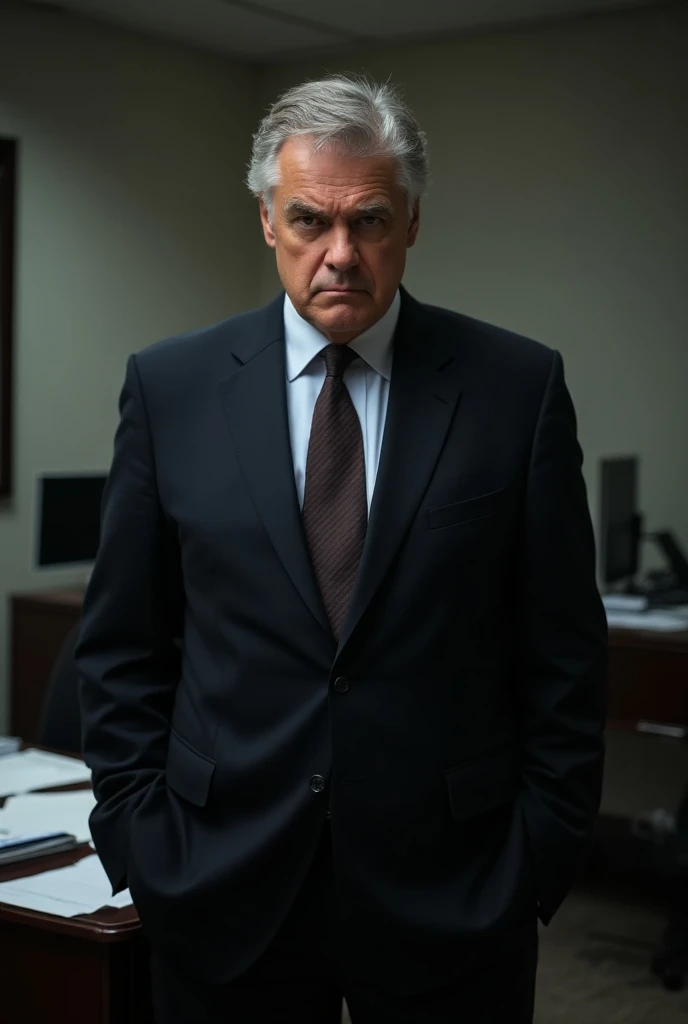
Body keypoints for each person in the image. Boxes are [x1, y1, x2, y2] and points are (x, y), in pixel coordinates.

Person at [76, 75, 607, 1024]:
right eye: (310, 220)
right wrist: (137, 837)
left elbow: (563, 652)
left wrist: (539, 857)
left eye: (370, 221)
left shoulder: (515, 387)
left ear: (413, 223)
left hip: (456, 888)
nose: (340, 254)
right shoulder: (170, 388)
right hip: (220, 879)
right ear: (267, 220)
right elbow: (121, 645)